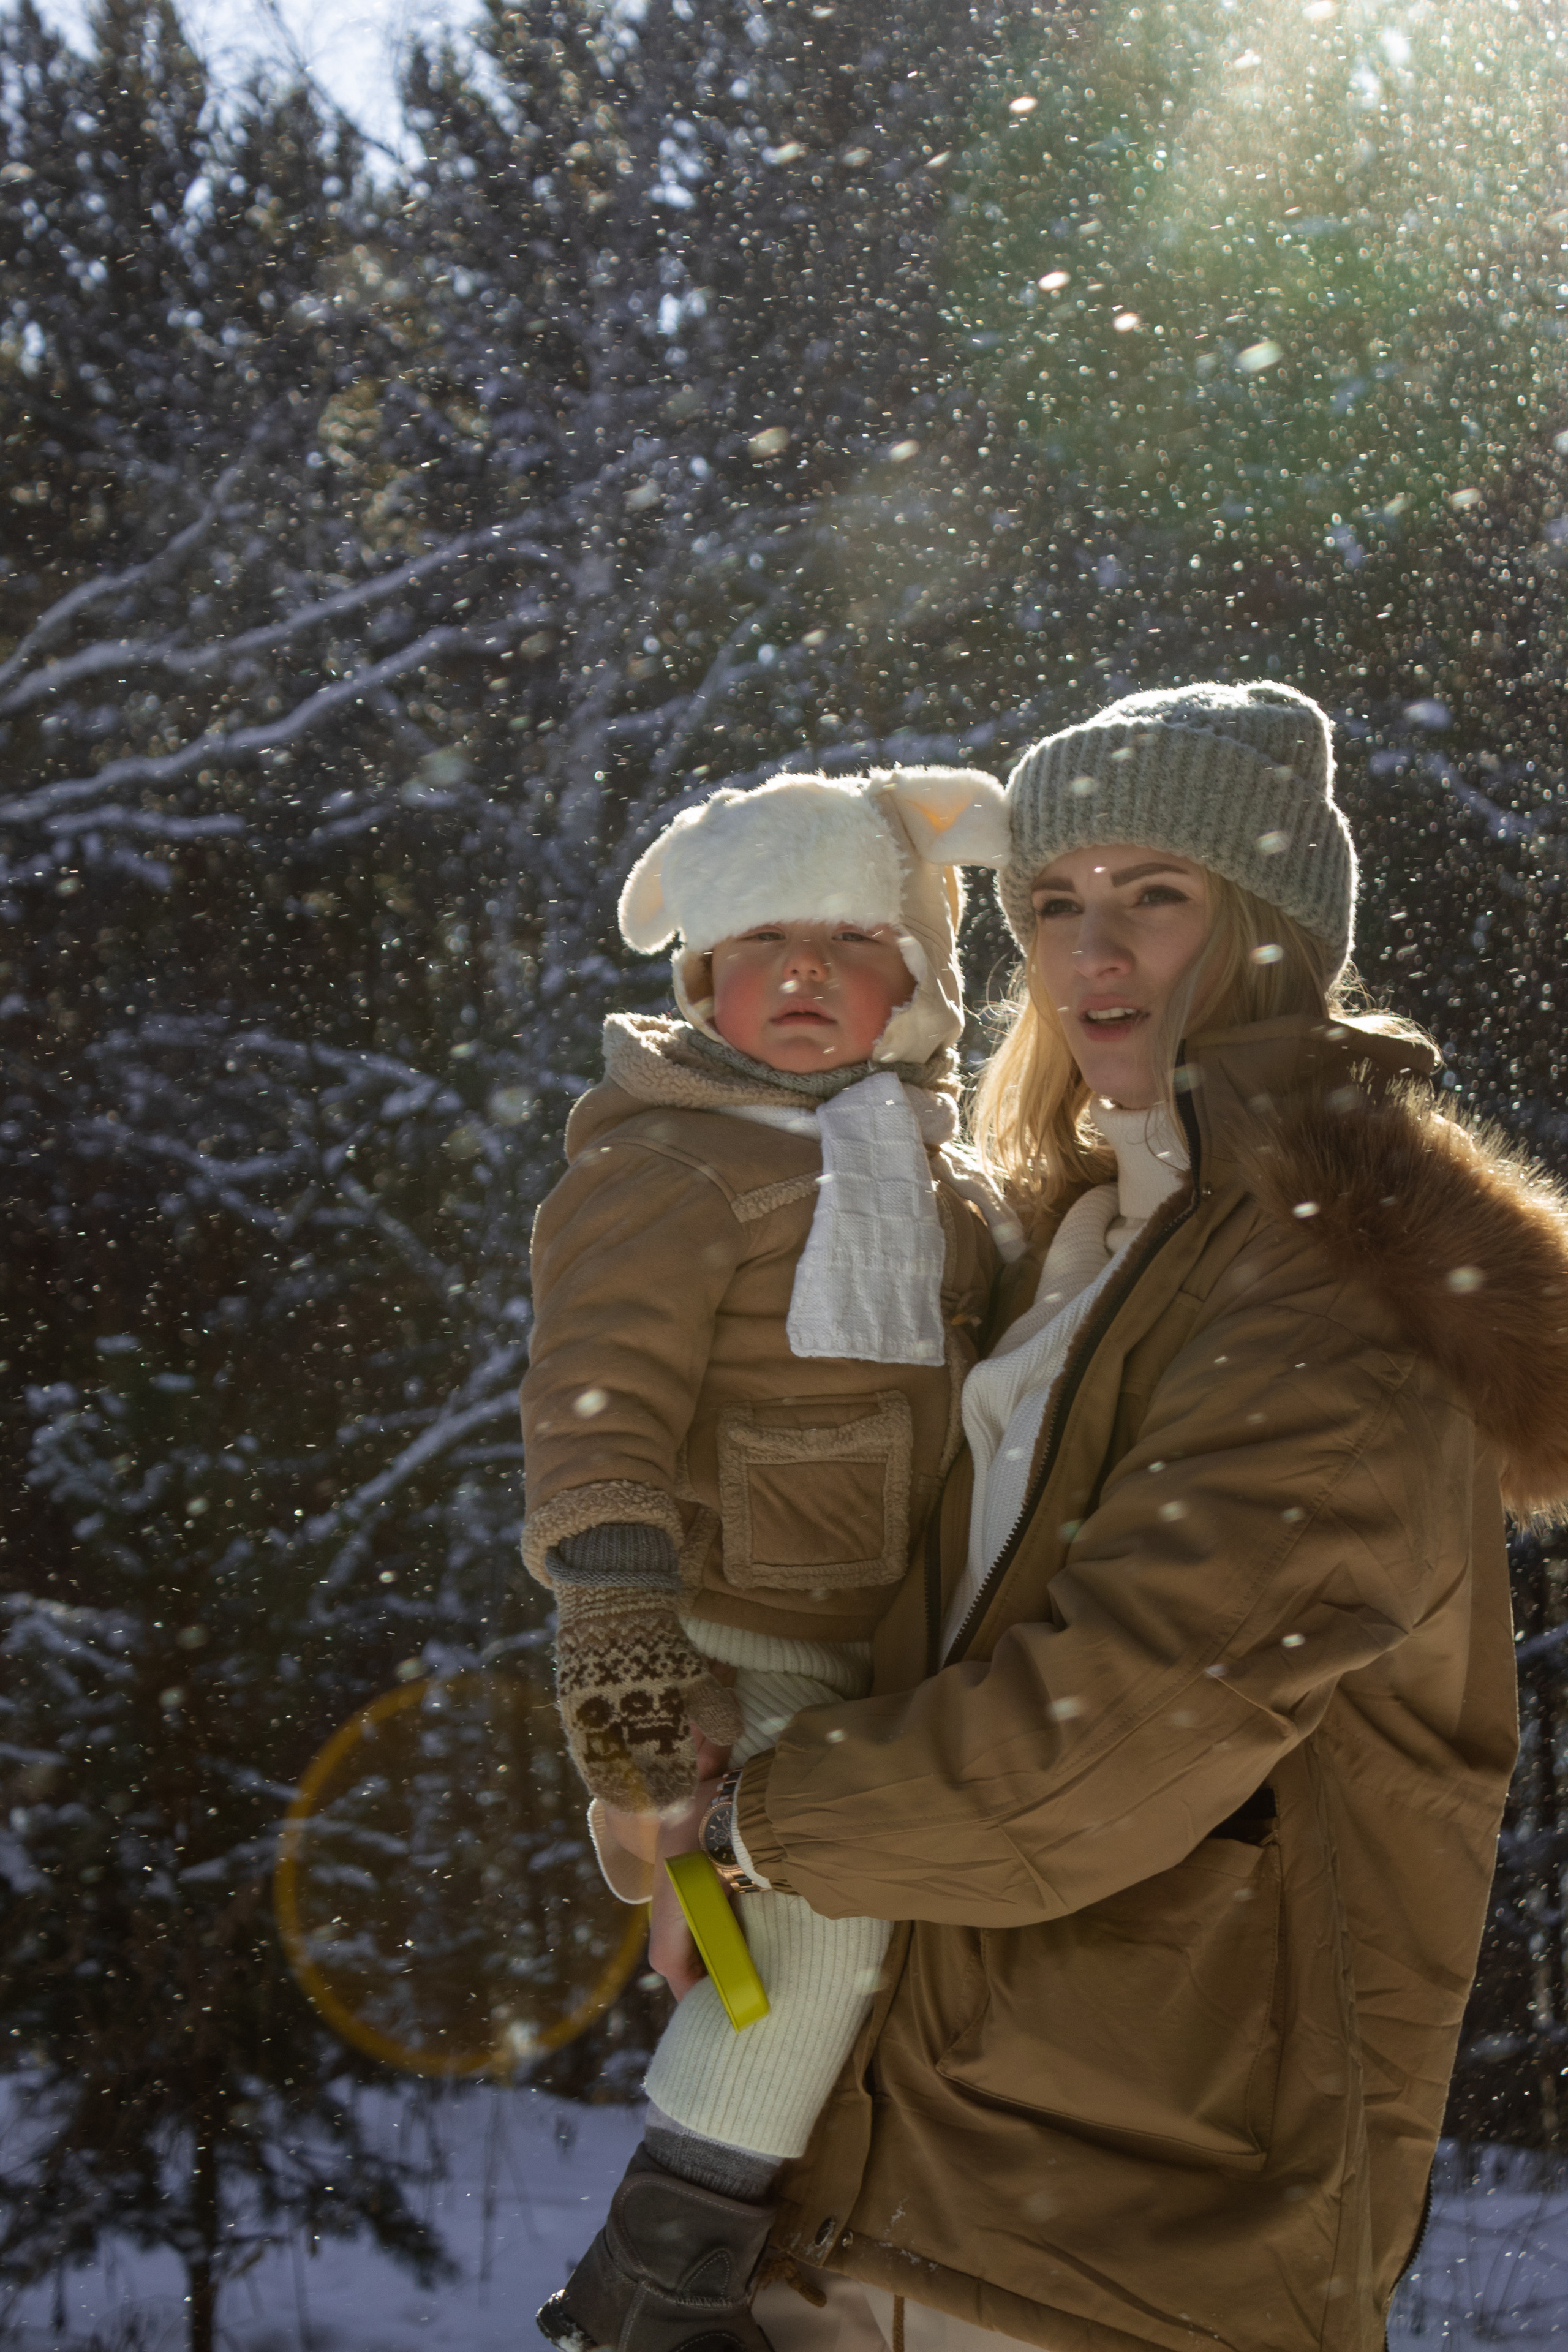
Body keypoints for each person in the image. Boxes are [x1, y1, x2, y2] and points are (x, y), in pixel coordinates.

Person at [654, 682, 1568, 2352]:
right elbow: (897, 1628)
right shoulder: (1079, 1246)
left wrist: (753, 1830)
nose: (1094, 958)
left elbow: (1110, 1742)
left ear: (1277, 930)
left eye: (1159, 898)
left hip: (1123, 2248)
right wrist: (704, 1734)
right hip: (883, 2196)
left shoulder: (1330, 1295)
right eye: (1054, 905)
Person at [518, 764, 1018, 2352]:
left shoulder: (933, 1161)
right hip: (733, 1638)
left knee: (855, 1929)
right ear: (701, 980)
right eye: (760, 944)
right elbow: (596, 1419)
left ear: (917, 975)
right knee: (833, 1893)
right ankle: (659, 2275)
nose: (803, 975)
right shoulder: (667, 1161)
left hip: (893, 1639)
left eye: (846, 941)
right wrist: (630, 1697)